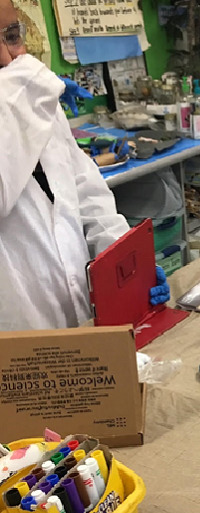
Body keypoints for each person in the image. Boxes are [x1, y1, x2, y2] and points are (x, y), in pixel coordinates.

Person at [0, 0, 169, 331]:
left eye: (11, 34)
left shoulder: (37, 101)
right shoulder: (25, 93)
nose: (6, 57)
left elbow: (86, 191)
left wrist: (127, 263)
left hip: (82, 321)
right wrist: (24, 87)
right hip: (15, 336)